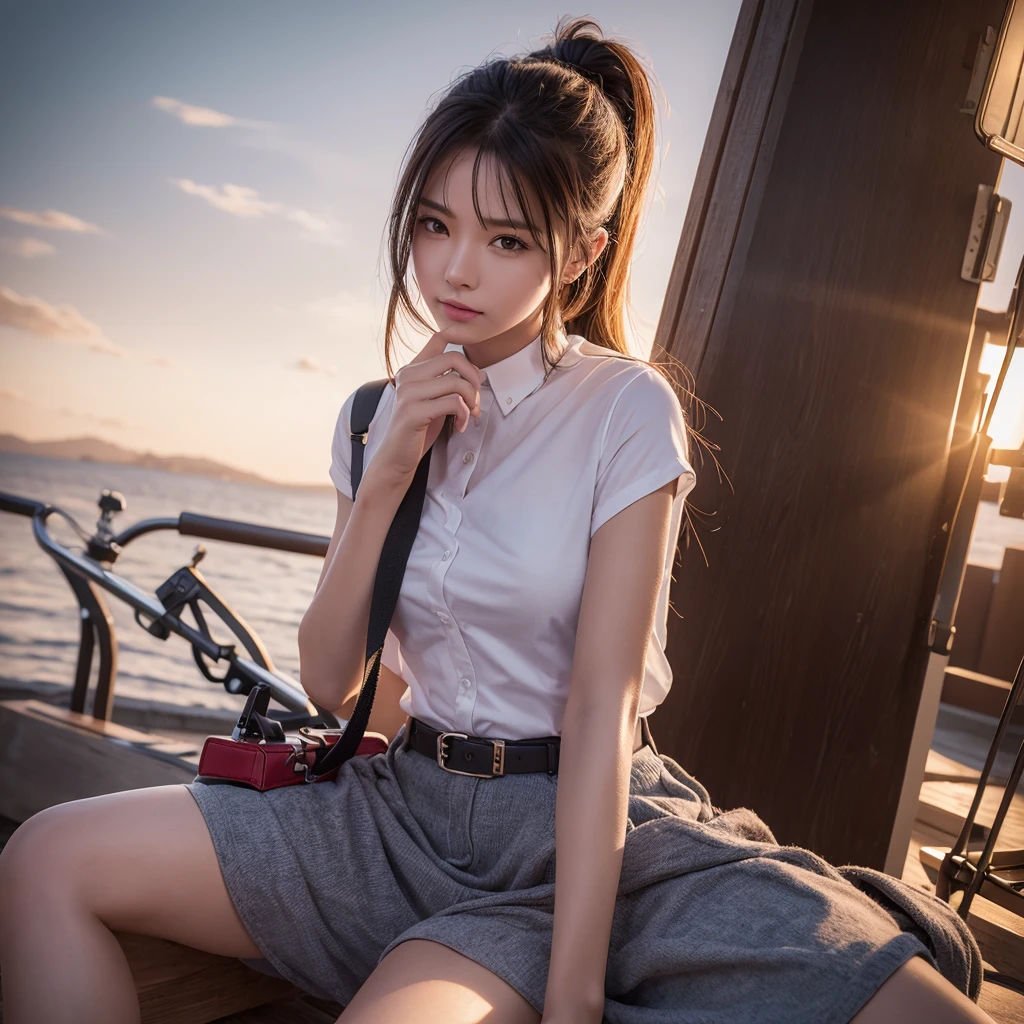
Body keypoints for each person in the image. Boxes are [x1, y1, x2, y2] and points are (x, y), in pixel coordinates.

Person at [0, 15, 996, 1024]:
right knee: (44, 856)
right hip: (398, 811)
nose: (454, 270)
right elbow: (328, 677)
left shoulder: (623, 408)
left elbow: (600, 711)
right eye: (434, 225)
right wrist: (387, 464)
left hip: (577, 831)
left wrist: (570, 999)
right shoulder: (367, 417)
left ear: (579, 255)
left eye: (505, 238)